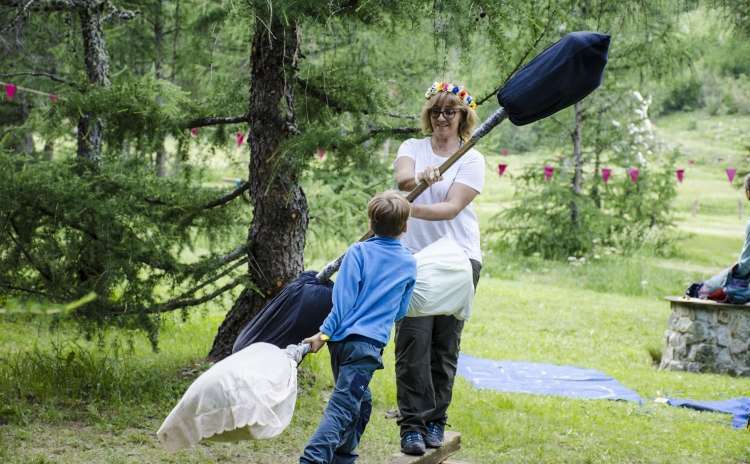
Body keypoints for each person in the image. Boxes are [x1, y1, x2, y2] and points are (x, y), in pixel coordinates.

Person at [392, 81, 484, 456]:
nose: (442, 117)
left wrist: (404, 209)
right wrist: (420, 178)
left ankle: (435, 421)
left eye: (450, 111)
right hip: (414, 257)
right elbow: (402, 179)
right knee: (413, 342)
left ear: (464, 116)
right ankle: (411, 426)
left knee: (444, 347)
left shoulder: (471, 158)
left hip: (458, 259)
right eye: (436, 111)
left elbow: (450, 207)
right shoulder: (412, 148)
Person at [299, 191, 417, 464]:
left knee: (361, 403)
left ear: (371, 224)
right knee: (342, 408)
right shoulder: (409, 262)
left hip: (341, 343)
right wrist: (323, 333)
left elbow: (341, 302)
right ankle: (312, 459)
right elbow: (401, 310)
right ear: (406, 226)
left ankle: (343, 456)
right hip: (366, 348)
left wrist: (325, 334)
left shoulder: (357, 252)